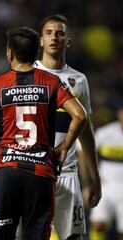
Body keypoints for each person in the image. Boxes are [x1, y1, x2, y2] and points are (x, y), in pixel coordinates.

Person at [0, 26, 87, 240]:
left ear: (9, 53)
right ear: (36, 53)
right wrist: (64, 147)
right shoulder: (51, 82)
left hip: (7, 171)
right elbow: (80, 115)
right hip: (40, 172)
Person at [34, 14, 101, 240]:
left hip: (68, 172)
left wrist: (94, 178)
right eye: (49, 33)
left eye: (60, 33)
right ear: (41, 40)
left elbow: (86, 133)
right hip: (33, 170)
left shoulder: (79, 80)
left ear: (67, 41)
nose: (54, 37)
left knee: (73, 237)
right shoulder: (28, 75)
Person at [89, 103, 123, 240]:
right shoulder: (105, 132)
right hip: (106, 186)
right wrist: (92, 179)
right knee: (98, 224)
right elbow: (88, 153)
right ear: (119, 113)